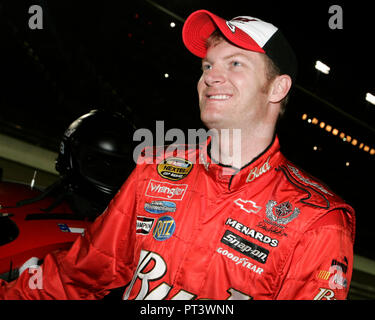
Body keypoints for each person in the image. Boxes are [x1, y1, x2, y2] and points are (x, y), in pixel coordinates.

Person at [0, 9, 355, 300]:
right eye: (207, 65)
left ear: (277, 88)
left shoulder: (318, 223)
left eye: (235, 64)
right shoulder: (154, 169)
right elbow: (79, 275)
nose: (211, 76)